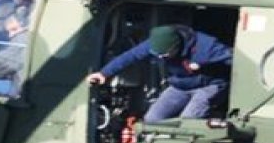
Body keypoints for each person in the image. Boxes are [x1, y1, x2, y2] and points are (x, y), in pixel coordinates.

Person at [86, 24, 232, 121]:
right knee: (152, 119)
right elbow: (130, 56)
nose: (161, 58)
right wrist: (104, 73)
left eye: (165, 55)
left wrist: (203, 64)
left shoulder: (207, 47)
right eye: (158, 55)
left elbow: (234, 59)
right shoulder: (155, 44)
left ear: (176, 46)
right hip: (180, 85)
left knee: (188, 121)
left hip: (209, 86)